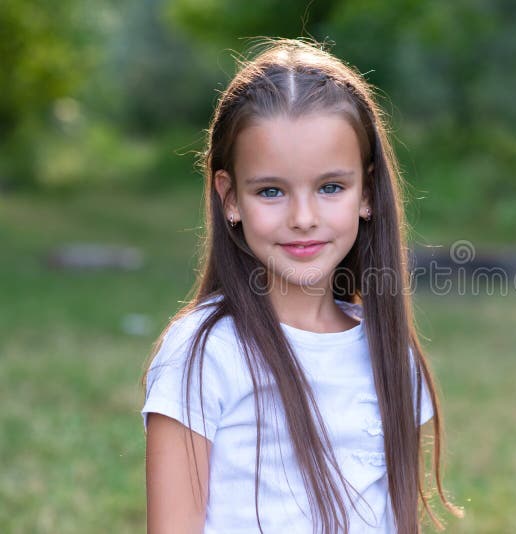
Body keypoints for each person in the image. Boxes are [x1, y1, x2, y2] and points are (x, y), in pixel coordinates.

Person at [140, 38, 462, 533]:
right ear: (229, 198)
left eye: (330, 187)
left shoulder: (389, 352)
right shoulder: (205, 353)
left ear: (367, 192)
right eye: (271, 191)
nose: (304, 218)